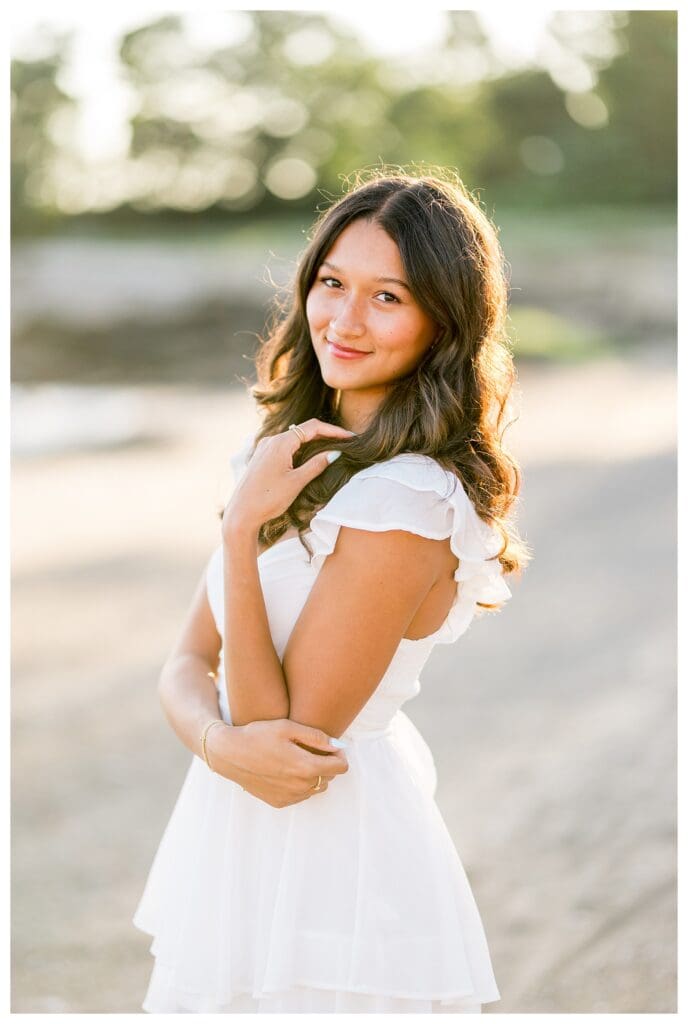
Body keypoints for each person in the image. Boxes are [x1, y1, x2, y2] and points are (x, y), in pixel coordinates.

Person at [133, 168, 531, 1013]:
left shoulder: (410, 499)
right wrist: (216, 744)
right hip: (230, 845)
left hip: (334, 867)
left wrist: (241, 536)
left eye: (388, 296)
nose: (343, 321)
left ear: (443, 321)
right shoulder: (277, 456)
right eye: (331, 283)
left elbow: (286, 751)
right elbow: (183, 663)